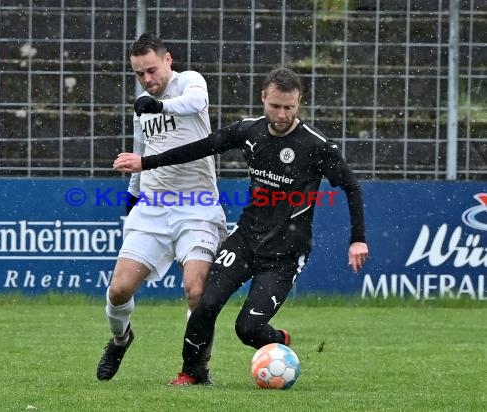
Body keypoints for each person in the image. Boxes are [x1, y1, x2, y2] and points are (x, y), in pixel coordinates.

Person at [113, 67, 369, 385]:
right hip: (245, 240)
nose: (281, 114)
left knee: (247, 329)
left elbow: (351, 186)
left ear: (299, 102)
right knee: (204, 302)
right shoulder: (249, 131)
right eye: (275, 106)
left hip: (284, 254)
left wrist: (358, 239)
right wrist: (146, 162)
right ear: (263, 98)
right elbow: (202, 147)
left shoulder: (315, 145)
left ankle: (277, 339)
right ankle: (191, 374)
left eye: (289, 107)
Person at [96, 33, 226, 383]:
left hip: (196, 205)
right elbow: (141, 153)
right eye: (140, 74)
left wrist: (161, 106)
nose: (147, 80)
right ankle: (121, 339)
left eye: (151, 70)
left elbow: (195, 104)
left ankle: (197, 367)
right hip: (152, 208)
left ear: (168, 59)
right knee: (118, 289)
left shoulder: (190, 83)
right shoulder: (142, 104)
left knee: (196, 290)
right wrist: (132, 200)